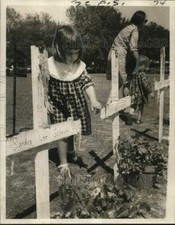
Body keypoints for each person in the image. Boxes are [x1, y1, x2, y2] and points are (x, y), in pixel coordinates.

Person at [46, 25, 102, 178]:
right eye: (68, 54)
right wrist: (45, 100)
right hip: (57, 104)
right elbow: (43, 84)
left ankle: (70, 152)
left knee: (72, 130)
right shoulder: (50, 65)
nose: (72, 58)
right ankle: (63, 163)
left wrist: (94, 100)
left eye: (75, 54)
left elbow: (87, 83)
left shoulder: (79, 66)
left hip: (75, 102)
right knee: (62, 133)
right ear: (59, 48)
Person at [106, 10, 148, 103]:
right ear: (140, 21)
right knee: (125, 82)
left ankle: (110, 104)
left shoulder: (127, 28)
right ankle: (125, 108)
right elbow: (133, 49)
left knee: (119, 82)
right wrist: (138, 61)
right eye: (145, 21)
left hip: (112, 53)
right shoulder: (135, 30)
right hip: (119, 54)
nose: (145, 23)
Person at [130, 55, 154, 124]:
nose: (146, 67)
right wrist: (150, 91)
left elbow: (132, 84)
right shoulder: (143, 74)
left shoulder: (135, 74)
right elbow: (145, 84)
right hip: (141, 94)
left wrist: (132, 93)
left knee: (133, 105)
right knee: (141, 107)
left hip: (135, 94)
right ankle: (138, 119)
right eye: (146, 65)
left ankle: (130, 116)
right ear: (142, 65)